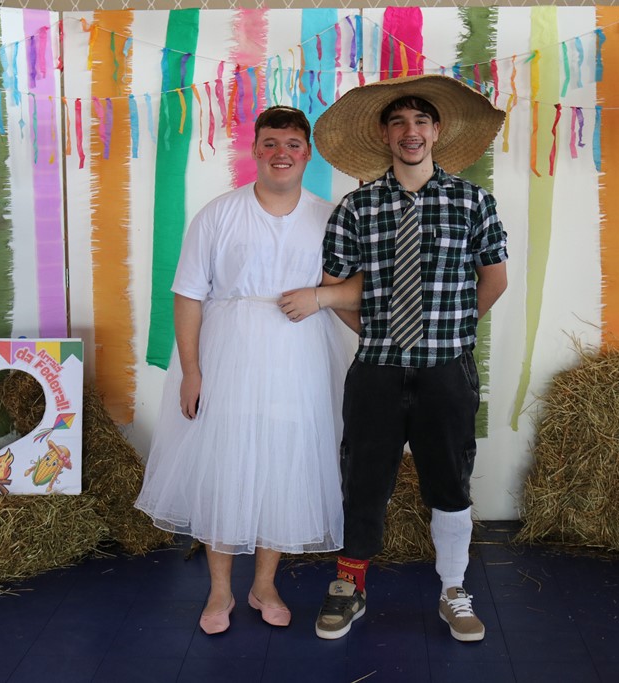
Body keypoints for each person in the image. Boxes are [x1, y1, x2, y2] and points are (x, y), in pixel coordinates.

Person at [135, 106, 360, 635]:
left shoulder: (329, 217)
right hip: (229, 353)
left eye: (293, 144)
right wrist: (191, 371)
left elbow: (356, 287)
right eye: (271, 143)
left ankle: (264, 584)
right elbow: (188, 294)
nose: (282, 153)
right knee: (226, 461)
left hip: (299, 358)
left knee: (284, 462)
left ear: (308, 153)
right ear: (256, 150)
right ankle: (219, 590)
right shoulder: (220, 213)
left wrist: (319, 296)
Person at [308, 74, 509, 643]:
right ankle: (349, 585)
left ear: (437, 131)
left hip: (447, 370)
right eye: (398, 122)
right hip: (377, 370)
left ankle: (454, 589)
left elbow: (494, 279)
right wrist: (381, 333)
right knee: (364, 478)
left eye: (421, 120)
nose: (410, 131)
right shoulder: (358, 207)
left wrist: (452, 332)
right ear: (384, 134)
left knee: (450, 480)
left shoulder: (472, 202)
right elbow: (334, 289)